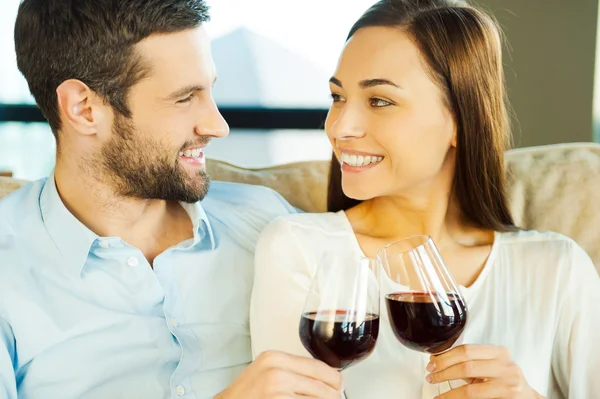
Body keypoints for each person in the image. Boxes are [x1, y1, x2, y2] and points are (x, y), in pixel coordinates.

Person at [250, 0, 600, 398]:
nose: (340, 127)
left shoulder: (556, 269)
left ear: (460, 121)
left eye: (379, 101)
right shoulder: (298, 249)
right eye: (337, 97)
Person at [0, 1, 344, 398]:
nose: (217, 125)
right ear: (84, 109)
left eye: (210, 90)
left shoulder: (268, 224)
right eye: (185, 98)